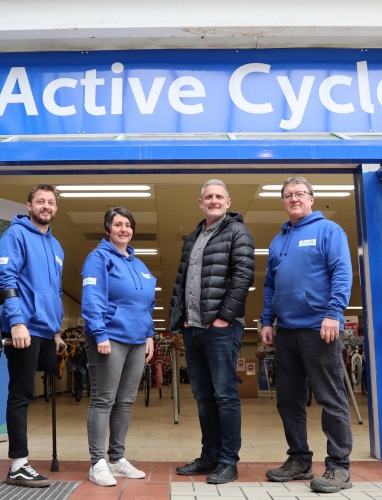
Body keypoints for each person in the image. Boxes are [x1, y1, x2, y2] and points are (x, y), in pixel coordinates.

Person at [259, 176, 354, 494]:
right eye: (288, 195)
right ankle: (299, 459)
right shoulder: (278, 240)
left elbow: (342, 271)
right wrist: (266, 321)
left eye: (300, 194)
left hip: (320, 329)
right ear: (283, 202)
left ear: (312, 198)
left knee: (331, 399)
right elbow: (270, 285)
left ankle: (339, 467)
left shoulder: (329, 230)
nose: (294, 199)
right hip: (286, 332)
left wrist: (333, 314)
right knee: (288, 400)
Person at [169, 179, 255, 485]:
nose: (214, 200)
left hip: (220, 329)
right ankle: (209, 456)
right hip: (192, 330)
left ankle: (228, 460)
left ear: (228, 203)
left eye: (219, 196)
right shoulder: (193, 236)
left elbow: (243, 276)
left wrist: (223, 318)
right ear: (200, 202)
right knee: (203, 396)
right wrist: (178, 321)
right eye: (209, 196)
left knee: (225, 396)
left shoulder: (236, 232)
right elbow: (181, 281)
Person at [0, 184, 66, 488]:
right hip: (23, 326)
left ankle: (23, 461)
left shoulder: (57, 246)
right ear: (29, 206)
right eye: (40, 201)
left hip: (46, 330)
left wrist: (58, 331)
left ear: (55, 209)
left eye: (51, 202)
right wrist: (16, 323)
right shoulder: (15, 235)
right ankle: (18, 464)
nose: (46, 206)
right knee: (21, 392)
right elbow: (6, 279)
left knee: (49, 372)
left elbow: (54, 291)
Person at [81, 207, 156, 487]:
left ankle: (116, 458)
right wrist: (99, 334)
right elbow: (92, 297)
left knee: (125, 401)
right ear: (108, 229)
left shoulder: (139, 264)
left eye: (128, 225)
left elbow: (148, 304)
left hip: (138, 340)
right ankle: (97, 462)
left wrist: (149, 334)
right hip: (110, 338)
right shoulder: (98, 258)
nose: (123, 229)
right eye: (118, 225)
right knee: (104, 399)